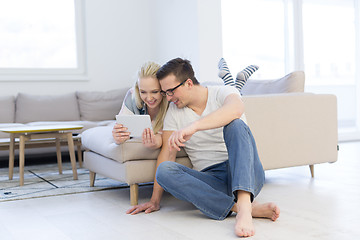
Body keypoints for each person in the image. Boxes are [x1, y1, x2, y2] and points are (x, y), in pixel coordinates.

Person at [126, 58, 280, 238]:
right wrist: (154, 201)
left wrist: (194, 126)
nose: (168, 98)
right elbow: (167, 155)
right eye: (165, 93)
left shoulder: (223, 92)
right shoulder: (174, 113)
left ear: (188, 83)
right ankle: (239, 207)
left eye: (170, 92)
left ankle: (245, 210)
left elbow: (236, 109)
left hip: (245, 171)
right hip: (211, 179)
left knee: (236, 125)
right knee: (164, 170)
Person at [112, 61, 168, 149]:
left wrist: (157, 141)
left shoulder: (171, 101)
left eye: (155, 92)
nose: (149, 98)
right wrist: (118, 136)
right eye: (143, 92)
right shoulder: (132, 95)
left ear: (163, 89)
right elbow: (123, 128)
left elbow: (167, 135)